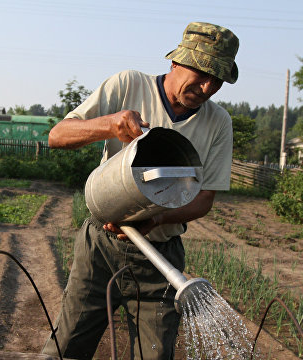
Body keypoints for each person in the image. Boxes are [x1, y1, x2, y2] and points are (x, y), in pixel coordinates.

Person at [42, 22, 239, 360]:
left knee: (154, 353)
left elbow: (204, 198)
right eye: (202, 73)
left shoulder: (218, 122)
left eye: (217, 80)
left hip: (160, 258)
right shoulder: (128, 84)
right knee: (67, 348)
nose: (207, 87)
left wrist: (157, 217)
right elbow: (57, 135)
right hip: (100, 246)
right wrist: (109, 124)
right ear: (176, 62)